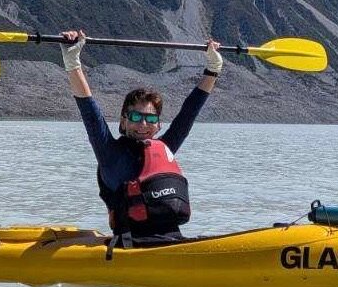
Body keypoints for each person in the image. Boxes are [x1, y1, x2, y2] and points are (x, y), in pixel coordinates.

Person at [61, 30, 222, 247]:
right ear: (124, 120)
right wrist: (73, 62)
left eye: (150, 118)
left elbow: (189, 112)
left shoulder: (164, 147)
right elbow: (89, 110)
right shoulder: (109, 153)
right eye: (136, 117)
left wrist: (213, 69)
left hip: (174, 243)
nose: (143, 124)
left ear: (158, 124)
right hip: (130, 246)